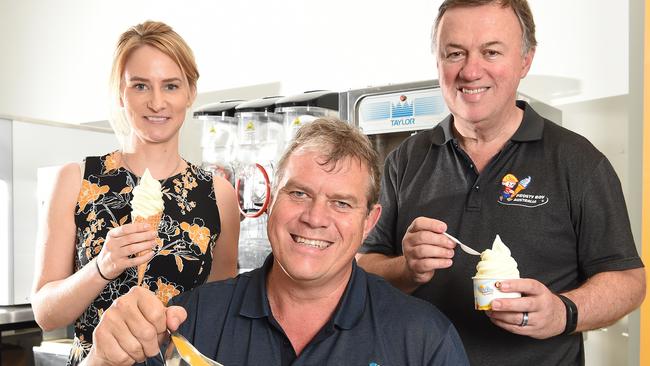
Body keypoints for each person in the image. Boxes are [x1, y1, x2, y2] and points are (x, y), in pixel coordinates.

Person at [356, 1, 646, 365]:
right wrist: (406, 268)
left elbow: (628, 281)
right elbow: (361, 267)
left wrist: (562, 313)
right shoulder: (405, 160)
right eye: (455, 53)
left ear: (526, 60)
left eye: (491, 52)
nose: (470, 71)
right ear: (438, 61)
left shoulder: (579, 161)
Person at [80, 118, 470, 366]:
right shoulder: (189, 320)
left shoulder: (423, 340)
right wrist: (101, 359)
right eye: (298, 194)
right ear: (270, 202)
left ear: (369, 222)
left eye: (341, 203)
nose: (315, 218)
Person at [31, 21, 240, 365]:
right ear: (120, 93)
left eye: (171, 86)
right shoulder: (77, 180)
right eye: (140, 86)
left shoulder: (218, 195)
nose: (157, 102)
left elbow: (221, 314)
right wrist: (103, 265)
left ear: (190, 92)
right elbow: (46, 314)